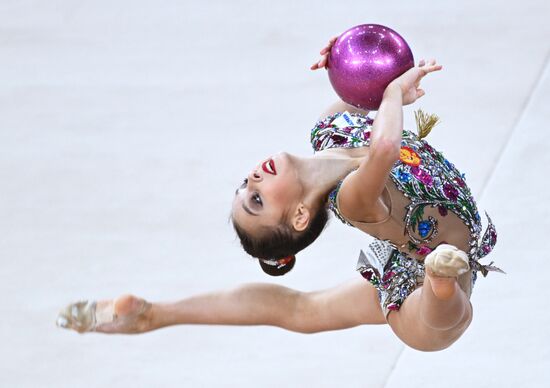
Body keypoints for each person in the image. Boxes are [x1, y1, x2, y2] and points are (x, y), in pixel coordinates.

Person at [57, 36, 501, 351]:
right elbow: (384, 148)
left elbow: (363, 99)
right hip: (427, 274)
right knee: (436, 328)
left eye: (244, 186)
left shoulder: (329, 128)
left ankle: (153, 314)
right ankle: (441, 284)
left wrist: (346, 62)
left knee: (302, 312)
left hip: (412, 259)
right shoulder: (351, 200)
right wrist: (391, 95)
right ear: (301, 217)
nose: (251, 181)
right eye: (257, 200)